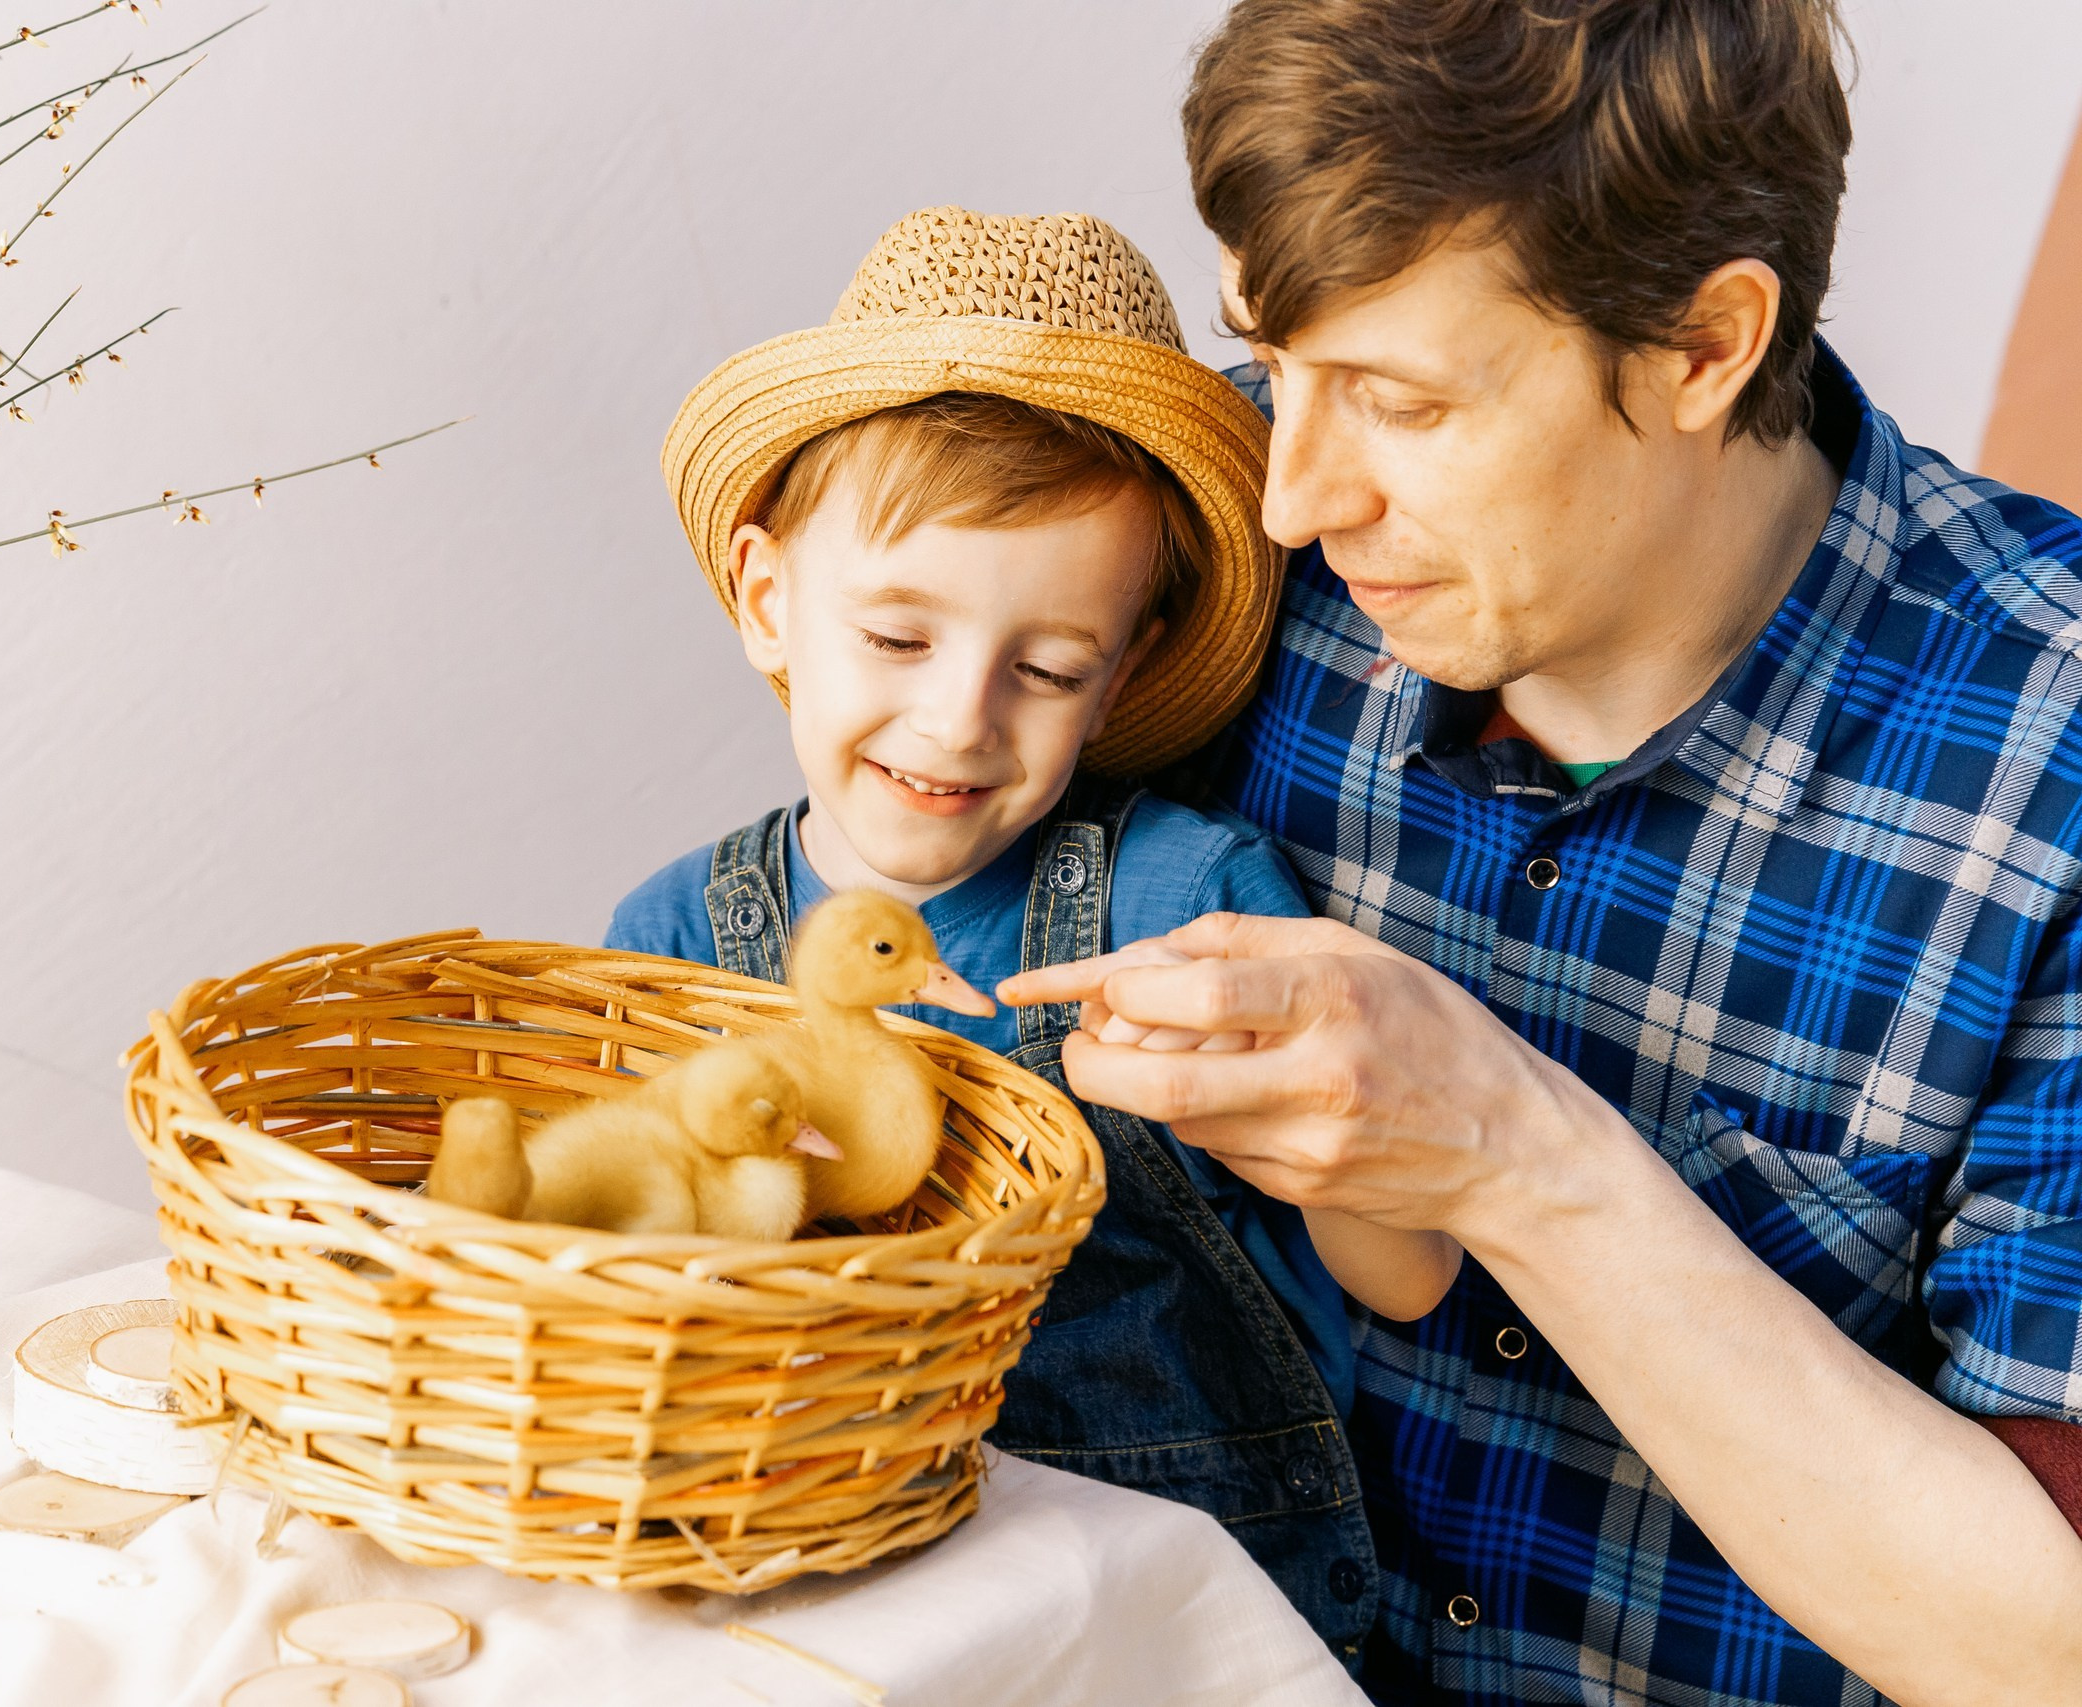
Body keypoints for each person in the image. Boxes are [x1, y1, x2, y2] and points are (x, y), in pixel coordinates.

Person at [999, 2, 2082, 1701]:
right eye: (1274, 364)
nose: (1291, 496)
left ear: (1705, 341)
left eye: (1401, 402)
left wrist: (1514, 1153)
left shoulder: (2056, 762)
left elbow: (2050, 1645)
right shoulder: (1212, 546)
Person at [610, 205, 1455, 1642]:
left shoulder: (1184, 902)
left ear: (1120, 684)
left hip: (1175, 1612)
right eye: (897, 638)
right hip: (833, 1591)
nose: (959, 718)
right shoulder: (677, 932)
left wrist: (1319, 1115)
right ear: (768, 599)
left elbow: (1411, 1277)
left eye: (1050, 668)